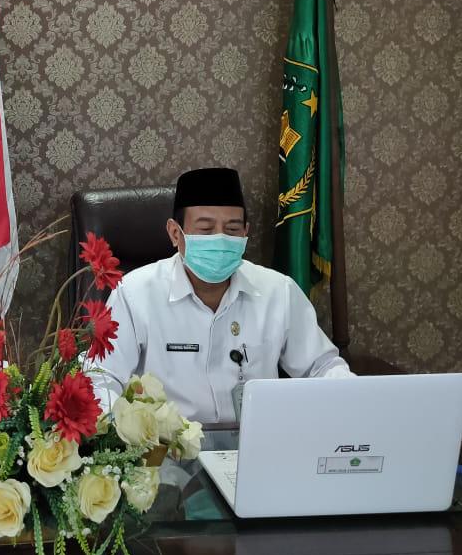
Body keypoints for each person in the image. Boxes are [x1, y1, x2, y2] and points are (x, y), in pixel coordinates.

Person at [93, 167, 353, 424]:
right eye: (206, 230)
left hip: (255, 440)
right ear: (175, 233)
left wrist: (355, 402)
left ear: (245, 232)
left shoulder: (278, 292)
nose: (220, 239)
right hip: (165, 446)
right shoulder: (134, 294)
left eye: (232, 230)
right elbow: (102, 377)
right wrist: (121, 435)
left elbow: (322, 367)